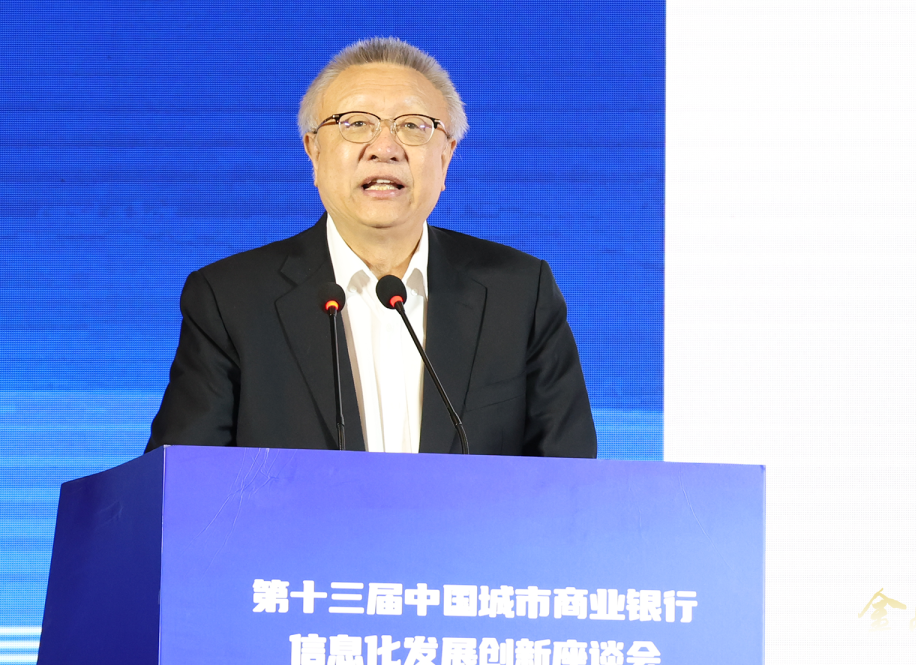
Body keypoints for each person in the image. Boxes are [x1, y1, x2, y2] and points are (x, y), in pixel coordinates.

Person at [145, 37, 596, 457]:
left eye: (413, 126)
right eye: (356, 124)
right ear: (313, 151)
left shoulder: (519, 294)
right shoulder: (231, 299)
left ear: (446, 156)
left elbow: (573, 484)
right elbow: (181, 484)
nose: (385, 148)